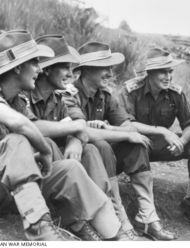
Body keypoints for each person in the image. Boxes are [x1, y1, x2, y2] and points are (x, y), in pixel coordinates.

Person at [0, 30, 123, 241]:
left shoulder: (19, 102)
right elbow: (19, 124)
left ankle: (115, 236)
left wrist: (63, 142)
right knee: (15, 141)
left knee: (69, 168)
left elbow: (34, 125)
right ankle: (41, 231)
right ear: (17, 67)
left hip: (0, 191)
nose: (39, 69)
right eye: (35, 62)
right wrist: (45, 151)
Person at [28, 34, 142, 240]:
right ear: (46, 69)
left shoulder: (58, 98)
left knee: (90, 149)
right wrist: (77, 133)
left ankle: (107, 218)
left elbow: (77, 126)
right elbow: (34, 129)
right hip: (31, 172)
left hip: (55, 168)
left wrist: (76, 139)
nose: (70, 73)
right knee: (54, 144)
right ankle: (80, 221)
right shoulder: (28, 95)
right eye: (65, 67)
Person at [63, 41, 176, 241]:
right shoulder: (68, 94)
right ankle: (119, 217)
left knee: (136, 144)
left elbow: (128, 126)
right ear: (87, 70)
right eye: (104, 68)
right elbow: (82, 133)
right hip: (74, 160)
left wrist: (110, 128)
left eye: (110, 67)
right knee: (101, 145)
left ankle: (147, 217)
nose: (110, 73)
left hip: (101, 162)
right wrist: (121, 133)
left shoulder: (105, 95)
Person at [119, 47, 190, 229]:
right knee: (137, 141)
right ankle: (146, 213)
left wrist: (182, 142)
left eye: (170, 71)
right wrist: (162, 130)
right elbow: (126, 124)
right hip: (133, 145)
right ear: (149, 73)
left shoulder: (175, 92)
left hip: (159, 145)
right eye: (162, 72)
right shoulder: (130, 91)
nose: (168, 77)